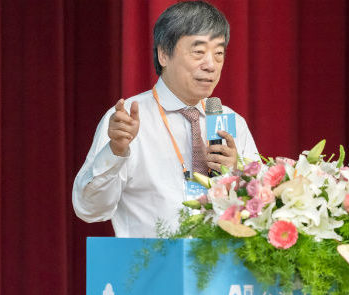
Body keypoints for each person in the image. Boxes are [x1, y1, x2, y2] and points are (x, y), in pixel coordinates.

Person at [72, 1, 259, 237]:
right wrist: (116, 151)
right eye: (198, 52)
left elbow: (261, 214)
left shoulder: (232, 122)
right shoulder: (126, 120)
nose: (211, 65)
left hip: (221, 259)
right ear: (164, 54)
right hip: (150, 259)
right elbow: (89, 209)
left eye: (219, 53)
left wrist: (237, 173)